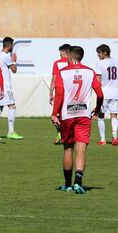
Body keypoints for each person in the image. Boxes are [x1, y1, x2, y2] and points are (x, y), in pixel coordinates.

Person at [52, 46, 103, 194]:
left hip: (67, 115)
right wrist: (98, 108)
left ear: (70, 57)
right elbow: (100, 94)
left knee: (68, 148)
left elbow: (59, 94)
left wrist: (54, 113)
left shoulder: (63, 73)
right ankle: (78, 183)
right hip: (83, 114)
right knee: (81, 149)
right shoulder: (90, 72)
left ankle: (67, 184)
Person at [0, 37, 23, 140]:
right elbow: (14, 70)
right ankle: (11, 132)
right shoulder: (6, 56)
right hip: (5, 86)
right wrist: (14, 61)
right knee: (12, 106)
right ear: (10, 45)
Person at [95, 44, 118, 145]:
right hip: (115, 92)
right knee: (114, 116)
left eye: (99, 52)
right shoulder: (116, 62)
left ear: (105, 52)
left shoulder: (100, 63)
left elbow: (98, 80)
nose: (98, 55)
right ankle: (115, 137)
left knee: (100, 116)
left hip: (104, 92)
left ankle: (103, 140)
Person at [50, 44, 71, 144]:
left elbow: (54, 79)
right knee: (67, 115)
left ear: (64, 51)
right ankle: (67, 134)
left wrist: (50, 93)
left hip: (59, 91)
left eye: (60, 52)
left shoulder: (57, 63)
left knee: (55, 116)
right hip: (70, 92)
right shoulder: (73, 62)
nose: (59, 54)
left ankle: (61, 133)